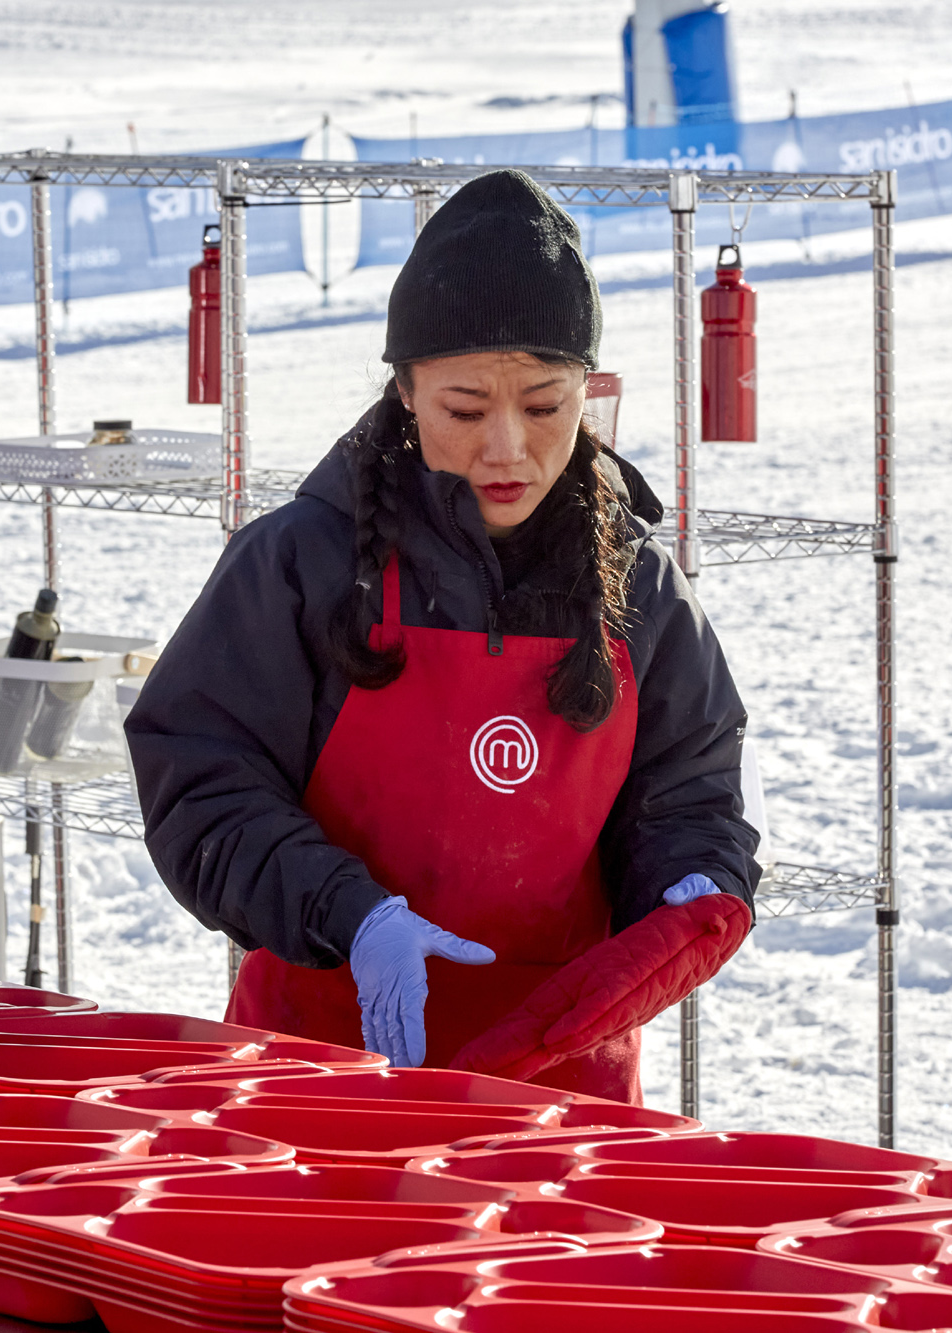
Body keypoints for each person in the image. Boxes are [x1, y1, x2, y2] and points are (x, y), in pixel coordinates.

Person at [126, 170, 759, 1103]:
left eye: (546, 405)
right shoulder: (302, 562)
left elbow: (690, 789)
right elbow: (202, 783)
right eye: (465, 408)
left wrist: (693, 882)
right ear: (408, 391)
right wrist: (354, 915)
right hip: (320, 1071)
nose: (507, 446)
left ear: (589, 393)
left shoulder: (641, 584)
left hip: (560, 1091)